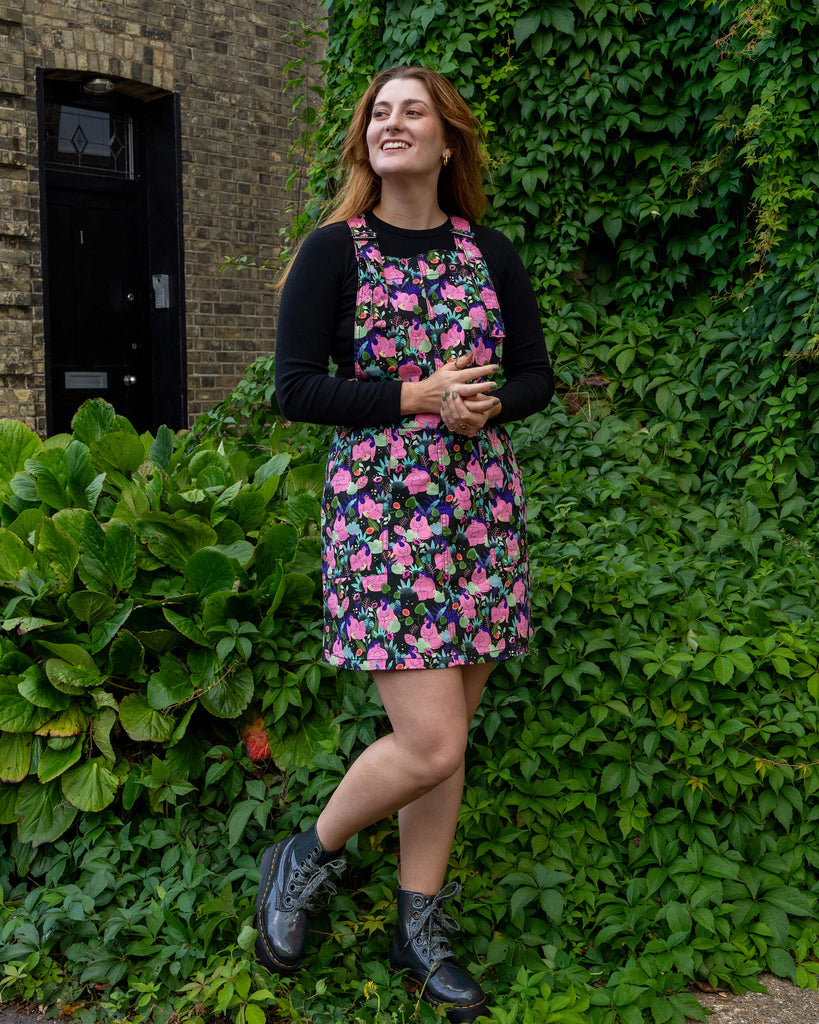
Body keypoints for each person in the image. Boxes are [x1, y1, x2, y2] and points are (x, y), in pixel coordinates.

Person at [256, 64, 554, 1023]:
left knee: (449, 744)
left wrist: (489, 404)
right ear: (365, 142)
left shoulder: (489, 251)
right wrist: (412, 398)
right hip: (385, 524)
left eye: (411, 112)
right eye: (378, 112)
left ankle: (415, 926)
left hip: (479, 512)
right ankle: (306, 854)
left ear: (445, 140)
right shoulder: (331, 252)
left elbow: (538, 375)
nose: (392, 124)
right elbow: (295, 389)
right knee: (430, 740)